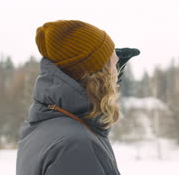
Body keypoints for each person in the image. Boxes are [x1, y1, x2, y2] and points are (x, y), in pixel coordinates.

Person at [16, 20, 139, 175]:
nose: (117, 71)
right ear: (98, 77)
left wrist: (108, 68)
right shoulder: (77, 145)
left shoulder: (44, 125)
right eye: (114, 64)